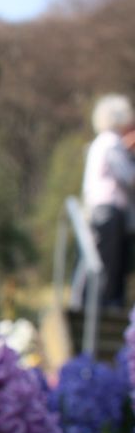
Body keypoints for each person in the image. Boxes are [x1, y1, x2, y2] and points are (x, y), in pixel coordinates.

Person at [73, 94, 135, 309]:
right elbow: (128, 177)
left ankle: (92, 304)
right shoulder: (111, 142)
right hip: (109, 209)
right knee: (109, 262)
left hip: (98, 207)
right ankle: (103, 305)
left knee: (99, 258)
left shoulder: (100, 143)